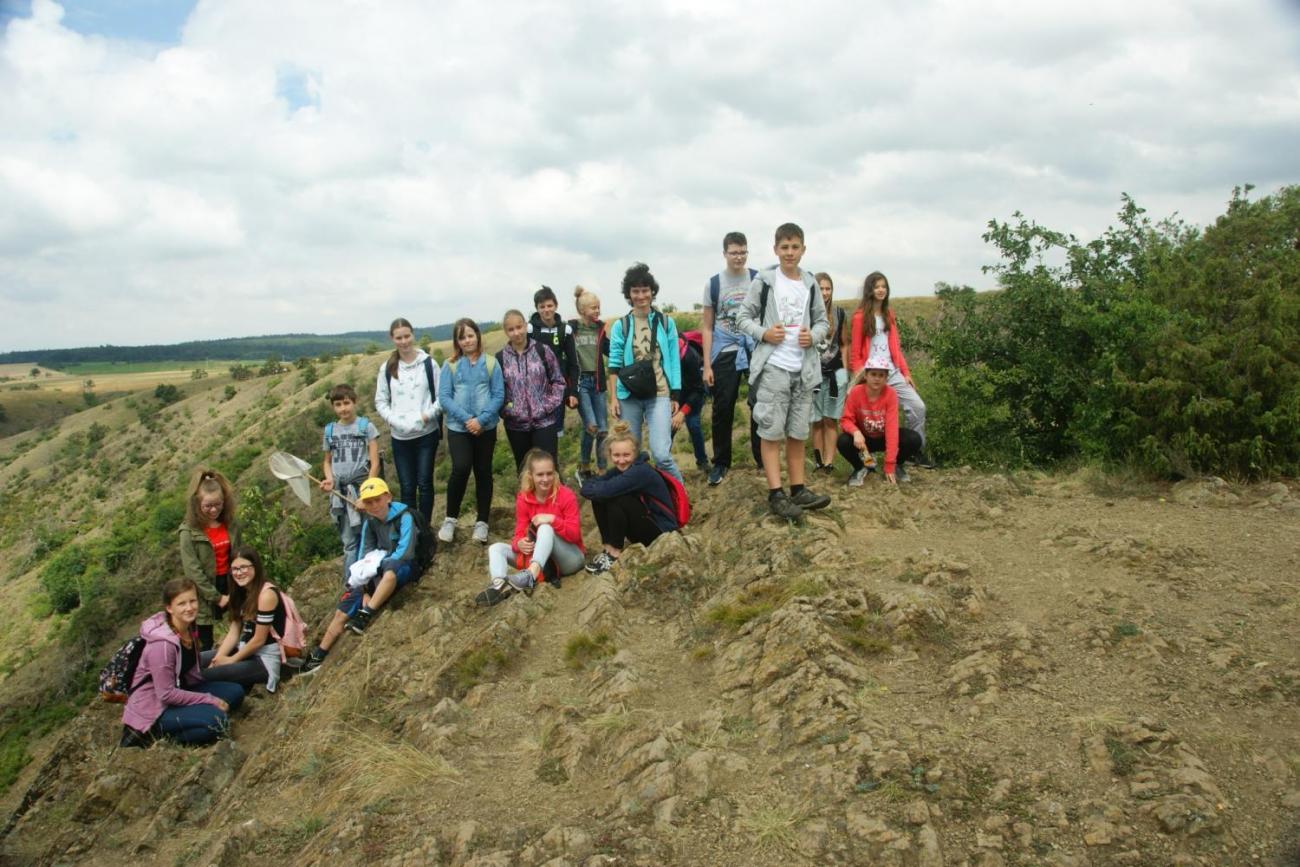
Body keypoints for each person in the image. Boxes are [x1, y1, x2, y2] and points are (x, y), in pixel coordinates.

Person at [735, 223, 832, 520]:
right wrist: (765, 333)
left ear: (803, 249)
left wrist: (813, 337)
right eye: (784, 247)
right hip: (774, 367)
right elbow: (742, 317)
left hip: (803, 370)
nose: (789, 253)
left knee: (797, 432)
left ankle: (798, 489)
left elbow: (822, 323)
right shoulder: (764, 281)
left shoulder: (810, 283)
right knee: (771, 431)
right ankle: (776, 493)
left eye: (795, 247)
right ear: (775, 249)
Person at [301, 478, 426, 673]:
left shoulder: (405, 517)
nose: (374, 505)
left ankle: (366, 614)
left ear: (388, 497)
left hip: (403, 568)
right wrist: (363, 582)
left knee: (391, 569)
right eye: (368, 502)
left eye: (377, 499)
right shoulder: (370, 523)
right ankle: (319, 654)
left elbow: (405, 552)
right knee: (342, 611)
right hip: (378, 574)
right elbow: (364, 556)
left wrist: (376, 571)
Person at [120, 578, 245, 747]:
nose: (189, 607)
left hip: (181, 688)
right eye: (181, 604)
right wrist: (210, 700)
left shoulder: (188, 626)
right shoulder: (163, 645)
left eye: (192, 601)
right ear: (169, 608)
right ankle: (157, 737)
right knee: (218, 721)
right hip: (156, 709)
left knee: (235, 692)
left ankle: (196, 718)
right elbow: (166, 694)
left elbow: (190, 667)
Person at [606, 262, 684, 484]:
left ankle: (679, 499)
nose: (641, 296)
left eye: (645, 290)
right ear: (629, 294)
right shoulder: (621, 326)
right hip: (628, 395)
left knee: (661, 455)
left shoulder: (666, 323)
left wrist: (675, 394)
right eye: (635, 291)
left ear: (652, 292)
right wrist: (613, 398)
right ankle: (640, 500)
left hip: (659, 392)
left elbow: (674, 361)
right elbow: (613, 365)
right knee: (631, 457)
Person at [475, 449, 584, 606]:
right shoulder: (524, 499)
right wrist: (518, 543)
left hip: (570, 559)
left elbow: (575, 535)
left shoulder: (566, 495)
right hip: (541, 559)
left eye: (549, 473)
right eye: (540, 474)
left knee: (545, 528)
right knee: (496, 548)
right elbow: (519, 533)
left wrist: (552, 519)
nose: (545, 479)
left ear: (555, 473)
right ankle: (499, 586)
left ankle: (530, 575)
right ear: (531, 476)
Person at [847, 271, 929, 464]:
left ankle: (912, 454)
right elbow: (855, 354)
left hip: (891, 372)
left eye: (884, 286)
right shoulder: (860, 317)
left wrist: (905, 373)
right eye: (877, 287)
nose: (881, 290)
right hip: (870, 374)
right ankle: (866, 458)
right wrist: (862, 377)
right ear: (870, 290)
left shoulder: (888, 315)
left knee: (918, 407)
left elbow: (896, 348)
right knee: (867, 417)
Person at [701, 232, 763, 486]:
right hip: (725, 349)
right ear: (725, 253)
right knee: (723, 406)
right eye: (734, 252)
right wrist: (706, 365)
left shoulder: (758, 279)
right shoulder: (714, 284)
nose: (738, 256)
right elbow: (707, 326)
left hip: (755, 347)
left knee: (759, 404)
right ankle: (721, 462)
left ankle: (762, 459)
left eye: (742, 252)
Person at [580, 421, 680, 574]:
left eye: (626, 455)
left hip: (661, 529)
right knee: (601, 497)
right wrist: (597, 488)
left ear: (635, 453)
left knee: (614, 497)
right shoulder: (619, 470)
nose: (621, 460)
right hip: (645, 523)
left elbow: (602, 490)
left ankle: (614, 554)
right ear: (609, 454)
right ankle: (608, 550)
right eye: (616, 455)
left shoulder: (640, 471)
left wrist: (598, 488)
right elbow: (586, 488)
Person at [437, 318, 505, 545]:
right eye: (462, 337)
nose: (467, 340)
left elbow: (498, 395)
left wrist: (482, 419)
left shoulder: (491, 363)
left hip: (486, 427)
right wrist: (468, 419)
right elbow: (444, 397)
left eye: (470, 335)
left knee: (483, 471)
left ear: (477, 335)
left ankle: (482, 522)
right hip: (458, 427)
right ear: (457, 341)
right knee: (461, 467)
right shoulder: (451, 365)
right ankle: (450, 519)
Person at [375, 316, 441, 522]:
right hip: (400, 437)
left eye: (407, 336)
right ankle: (410, 530)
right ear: (392, 339)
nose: (404, 341)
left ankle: (425, 528)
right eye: (399, 338)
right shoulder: (387, 368)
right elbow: (380, 401)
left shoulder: (429, 364)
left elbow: (441, 398)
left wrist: (425, 416)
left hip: (425, 434)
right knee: (407, 486)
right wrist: (394, 420)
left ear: (413, 335)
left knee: (425, 483)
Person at [201, 548, 291, 691]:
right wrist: (218, 658)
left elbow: (259, 640)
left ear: (255, 566)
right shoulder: (240, 592)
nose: (239, 572)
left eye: (244, 567)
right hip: (244, 650)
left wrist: (231, 660)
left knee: (205, 676)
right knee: (196, 661)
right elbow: (234, 631)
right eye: (234, 569)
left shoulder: (266, 594)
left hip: (264, 658)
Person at [320, 383, 381, 580]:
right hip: (341, 493)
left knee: (368, 537)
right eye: (338, 404)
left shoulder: (366, 427)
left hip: (363, 490)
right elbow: (327, 462)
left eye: (346, 403)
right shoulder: (330, 431)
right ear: (333, 407)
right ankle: (350, 585)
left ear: (354, 402)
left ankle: (368, 581)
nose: (343, 408)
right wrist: (329, 480)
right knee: (349, 542)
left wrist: (367, 495)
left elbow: (374, 464)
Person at [178, 467, 241, 651]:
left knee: (240, 629)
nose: (213, 510)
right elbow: (192, 571)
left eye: (218, 504)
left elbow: (238, 555)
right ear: (197, 504)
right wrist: (216, 597)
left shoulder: (232, 524)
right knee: (203, 641)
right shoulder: (188, 531)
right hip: (203, 590)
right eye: (207, 506)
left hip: (231, 582)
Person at [839, 351, 923, 485]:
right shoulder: (855, 392)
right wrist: (855, 432)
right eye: (873, 374)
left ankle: (897, 465)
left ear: (886, 378)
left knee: (914, 439)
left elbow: (891, 429)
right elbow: (845, 420)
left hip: (883, 436)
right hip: (863, 440)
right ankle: (861, 467)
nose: (877, 379)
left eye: (881, 375)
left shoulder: (891, 394)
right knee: (843, 441)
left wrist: (889, 464)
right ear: (866, 375)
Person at [498, 308, 567, 470]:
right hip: (516, 426)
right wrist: (508, 411)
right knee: (524, 470)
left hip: (544, 422)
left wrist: (546, 406)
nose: (516, 333)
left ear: (526, 326)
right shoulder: (500, 358)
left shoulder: (543, 350)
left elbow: (558, 381)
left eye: (519, 327)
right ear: (506, 331)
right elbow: (497, 392)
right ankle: (526, 496)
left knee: (548, 468)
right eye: (511, 329)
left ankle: (556, 496)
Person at [569, 286, 610, 485]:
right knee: (592, 426)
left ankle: (602, 470)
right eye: (594, 308)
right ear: (582, 310)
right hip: (580, 384)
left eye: (598, 307)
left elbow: (611, 350)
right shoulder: (571, 329)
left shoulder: (599, 329)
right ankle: (584, 468)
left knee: (603, 429)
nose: (597, 311)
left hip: (597, 383)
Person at [810, 272, 849, 473]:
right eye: (821, 288)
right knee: (816, 420)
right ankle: (817, 462)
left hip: (836, 373)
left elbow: (844, 345)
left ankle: (829, 462)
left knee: (830, 420)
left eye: (828, 288)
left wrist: (846, 373)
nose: (824, 292)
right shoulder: (807, 314)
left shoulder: (839, 313)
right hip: (813, 375)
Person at [528, 285, 579, 439]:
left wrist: (573, 392)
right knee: (539, 432)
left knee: (556, 433)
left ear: (556, 305)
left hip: (558, 388)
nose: (546, 310)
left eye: (549, 305)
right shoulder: (530, 330)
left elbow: (573, 363)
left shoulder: (565, 330)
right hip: (537, 389)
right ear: (537, 308)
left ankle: (554, 461)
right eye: (542, 306)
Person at [671, 332, 711, 473]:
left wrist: (683, 411)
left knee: (693, 424)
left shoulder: (690, 357)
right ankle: (662, 465)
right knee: (670, 428)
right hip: (676, 395)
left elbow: (698, 390)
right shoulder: (664, 355)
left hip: (694, 392)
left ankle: (703, 462)